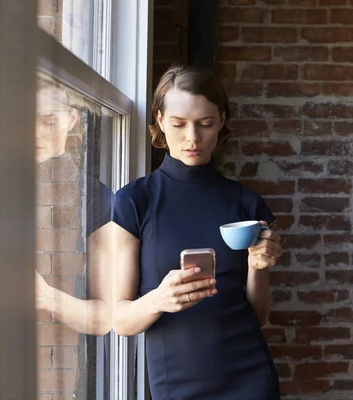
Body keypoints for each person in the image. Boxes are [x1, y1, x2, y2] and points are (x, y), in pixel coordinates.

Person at [111, 65, 283, 399]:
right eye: (178, 124)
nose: (192, 137)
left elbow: (258, 316)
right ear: (160, 121)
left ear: (220, 123)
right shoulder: (135, 200)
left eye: (205, 124)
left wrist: (258, 268)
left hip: (250, 377)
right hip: (177, 383)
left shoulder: (247, 204)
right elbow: (120, 321)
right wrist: (160, 299)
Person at [33, 75, 113, 398]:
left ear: (73, 118)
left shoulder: (94, 198)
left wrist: (48, 298)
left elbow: (106, 317)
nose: (34, 133)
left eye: (48, 121)